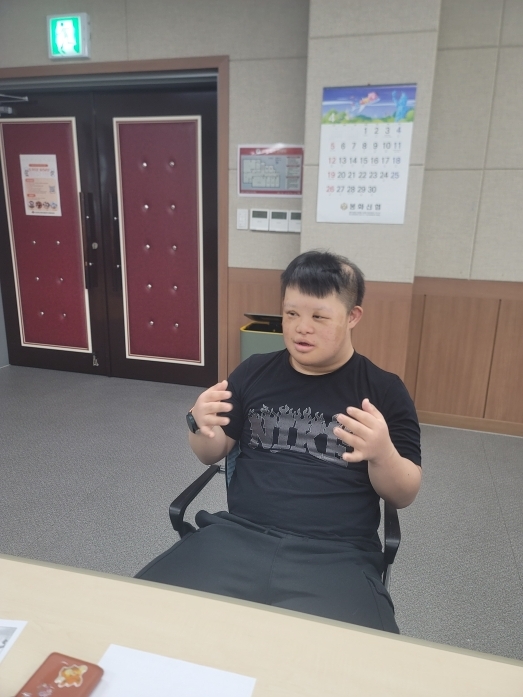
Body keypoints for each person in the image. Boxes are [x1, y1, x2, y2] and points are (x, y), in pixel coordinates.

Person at [137, 251, 421, 633]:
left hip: (337, 556)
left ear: (353, 316)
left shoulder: (384, 390)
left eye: (319, 317)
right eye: (291, 314)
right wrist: (198, 425)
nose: (302, 328)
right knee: (140, 620)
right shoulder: (254, 372)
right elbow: (212, 453)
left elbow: (403, 493)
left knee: (363, 661)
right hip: (237, 537)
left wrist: (383, 453)